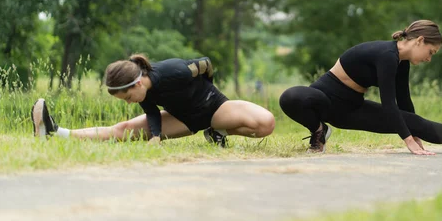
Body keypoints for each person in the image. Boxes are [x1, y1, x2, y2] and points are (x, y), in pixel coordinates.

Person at [279, 20, 442, 155]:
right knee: (291, 96)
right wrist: (407, 139)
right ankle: (319, 130)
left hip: (351, 110)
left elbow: (404, 104)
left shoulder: (401, 63)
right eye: (431, 52)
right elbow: (389, 103)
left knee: (412, 120)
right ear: (419, 41)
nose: (430, 58)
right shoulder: (386, 55)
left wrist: (415, 130)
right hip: (325, 99)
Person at [31, 55, 275, 147]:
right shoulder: (143, 93)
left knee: (265, 123)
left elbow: (206, 63)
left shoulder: (174, 70)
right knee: (123, 130)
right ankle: (55, 132)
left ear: (137, 83)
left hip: (214, 107)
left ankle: (217, 131)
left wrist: (209, 85)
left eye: (127, 97)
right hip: (183, 119)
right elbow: (152, 113)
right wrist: (156, 137)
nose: (128, 103)